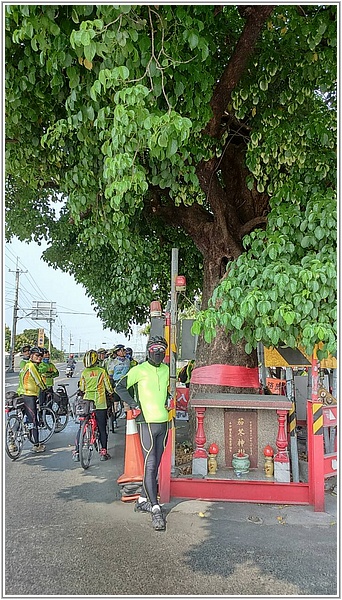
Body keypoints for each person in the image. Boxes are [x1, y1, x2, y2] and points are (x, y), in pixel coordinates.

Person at [116, 336, 170, 531]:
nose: (159, 352)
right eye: (155, 348)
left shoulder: (167, 370)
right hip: (146, 422)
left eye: (162, 349)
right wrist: (133, 404)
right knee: (150, 463)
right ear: (148, 351)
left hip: (164, 422)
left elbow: (169, 390)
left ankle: (142, 499)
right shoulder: (138, 370)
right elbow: (120, 387)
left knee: (156, 464)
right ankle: (155, 509)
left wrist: (170, 398)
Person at [72, 349, 113, 462]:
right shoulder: (101, 371)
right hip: (100, 403)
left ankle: (76, 451)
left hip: (86, 402)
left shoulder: (84, 373)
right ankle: (103, 452)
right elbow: (108, 387)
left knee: (82, 427)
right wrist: (111, 392)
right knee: (102, 428)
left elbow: (82, 388)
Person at [16, 346, 47, 453]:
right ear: (31, 355)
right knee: (33, 420)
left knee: (20, 417)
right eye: (37, 355)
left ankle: (11, 441)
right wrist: (45, 389)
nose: (40, 358)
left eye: (41, 356)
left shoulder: (25, 366)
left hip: (21, 394)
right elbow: (38, 381)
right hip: (29, 395)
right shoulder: (31, 366)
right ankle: (37, 445)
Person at [106, 344, 131, 428]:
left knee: (127, 404)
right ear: (118, 352)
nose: (124, 351)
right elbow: (110, 375)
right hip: (116, 384)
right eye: (122, 350)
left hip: (126, 384)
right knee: (115, 404)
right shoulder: (113, 362)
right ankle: (114, 420)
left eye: (124, 350)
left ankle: (129, 422)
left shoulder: (128, 361)